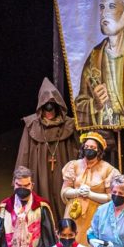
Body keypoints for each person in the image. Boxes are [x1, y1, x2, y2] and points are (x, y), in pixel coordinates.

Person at [16, 77, 78, 218]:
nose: (49, 112)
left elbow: (75, 149)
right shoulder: (32, 124)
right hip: (38, 167)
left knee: (61, 194)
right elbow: (24, 152)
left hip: (61, 165)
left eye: (52, 108)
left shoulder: (68, 125)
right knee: (41, 192)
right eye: (46, 108)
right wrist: (21, 175)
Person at [61, 131, 119, 245]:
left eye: (92, 147)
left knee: (89, 246)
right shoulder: (74, 165)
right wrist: (77, 192)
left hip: (95, 214)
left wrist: (91, 194)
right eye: (86, 146)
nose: (89, 149)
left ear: (99, 150)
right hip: (73, 212)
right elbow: (64, 191)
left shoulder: (108, 169)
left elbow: (111, 197)